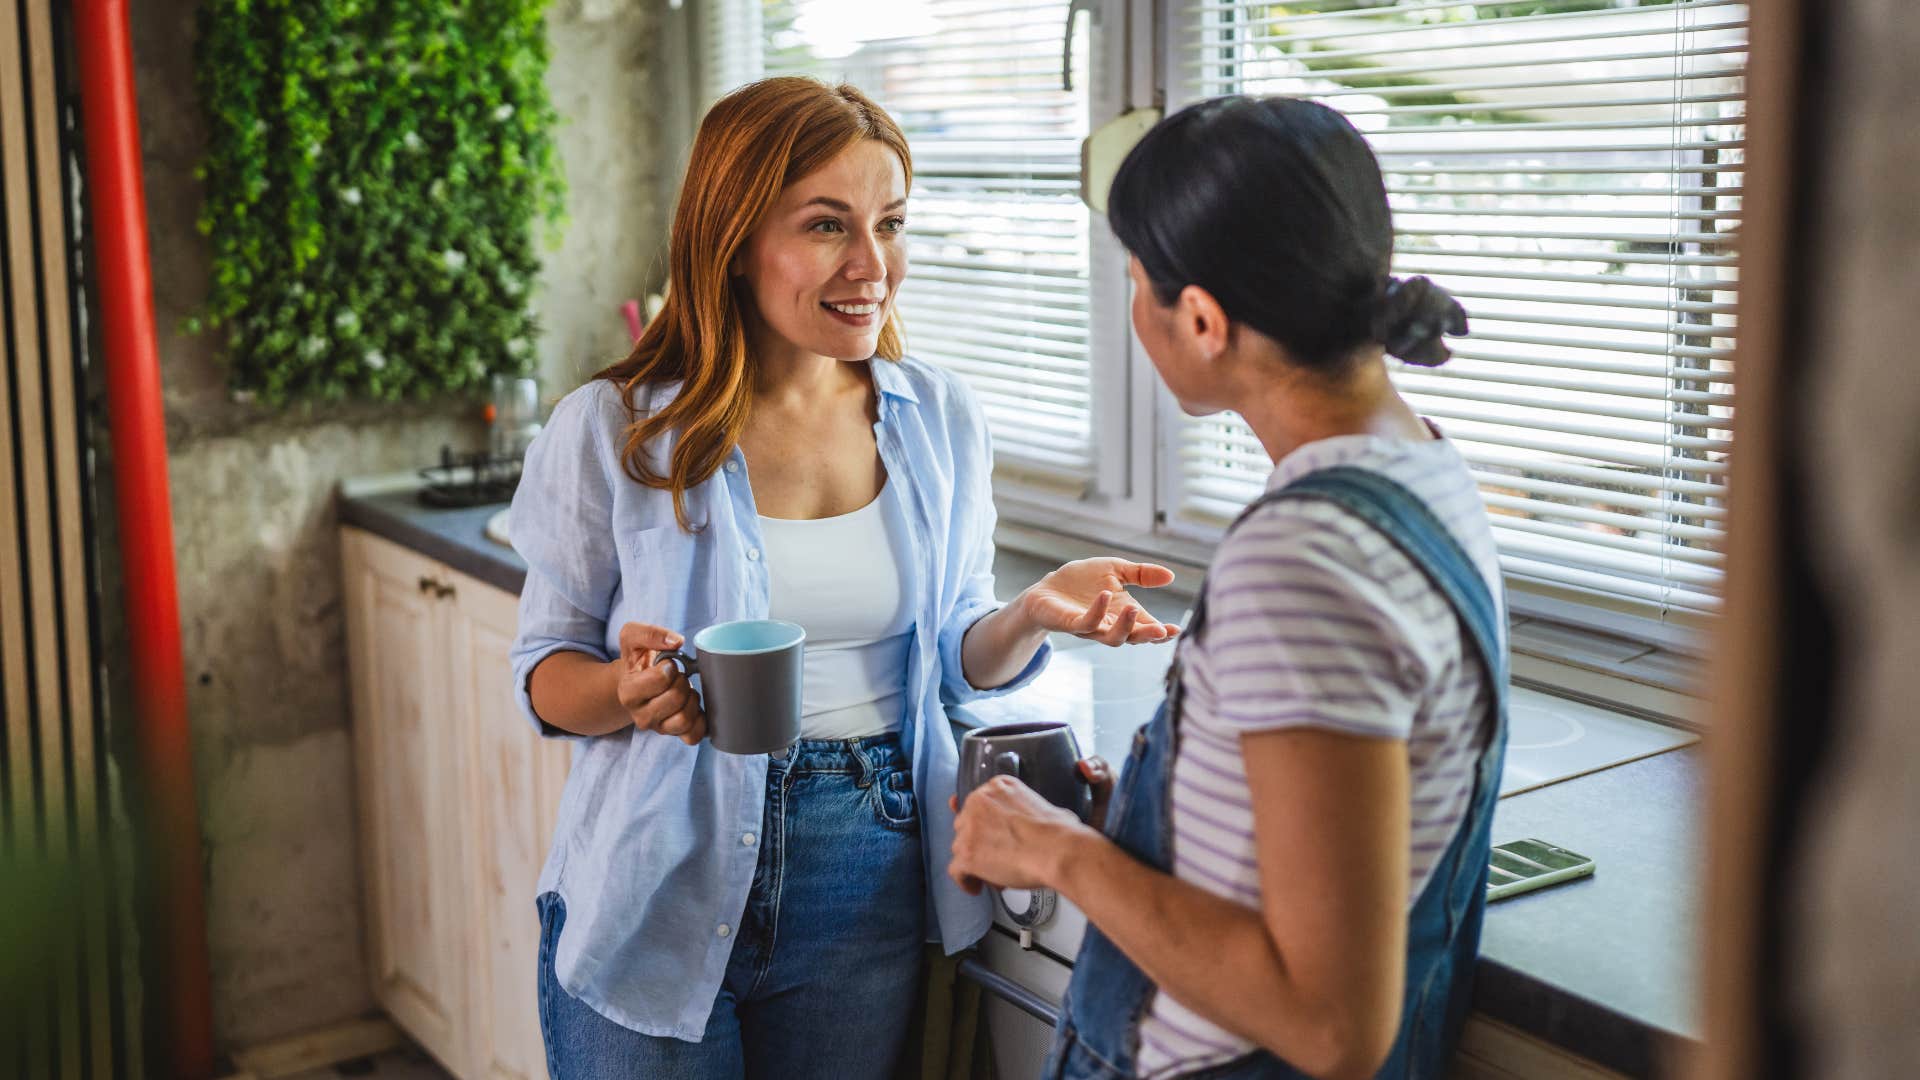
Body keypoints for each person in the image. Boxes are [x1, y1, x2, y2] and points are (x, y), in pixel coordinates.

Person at [507, 76, 1178, 1080]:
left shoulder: (936, 417)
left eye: (891, 224)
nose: (873, 265)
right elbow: (543, 673)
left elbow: (955, 659)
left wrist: (1032, 613)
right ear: (733, 240)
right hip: (657, 874)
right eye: (828, 226)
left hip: (870, 867)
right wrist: (622, 690)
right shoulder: (618, 430)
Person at [948, 96, 1506, 1080]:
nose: (1131, 311)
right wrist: (1176, 820)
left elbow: (1331, 1022)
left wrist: (1057, 853)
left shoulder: (1303, 561)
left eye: (1135, 282)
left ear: (1202, 320)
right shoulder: (1422, 472)